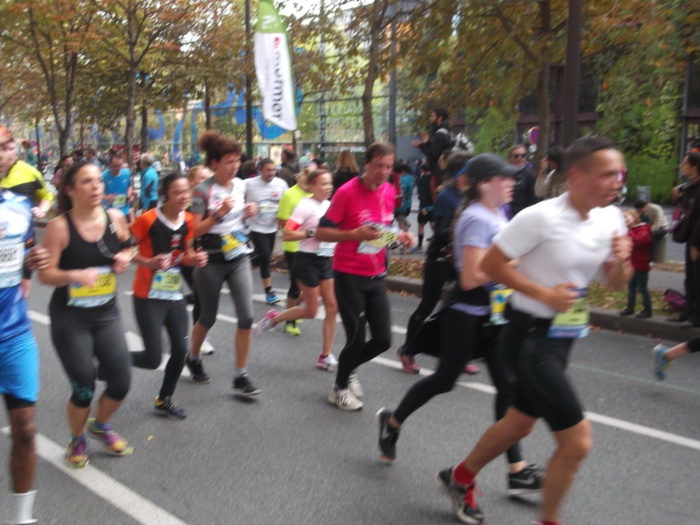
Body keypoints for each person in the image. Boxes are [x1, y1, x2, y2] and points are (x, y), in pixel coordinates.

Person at [435, 137, 632, 525]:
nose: (617, 182)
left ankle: (458, 477)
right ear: (576, 175)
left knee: (519, 422)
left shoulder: (610, 218)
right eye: (607, 174)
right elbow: (491, 265)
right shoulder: (541, 217)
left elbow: (617, 282)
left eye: (619, 174)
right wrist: (543, 292)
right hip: (527, 337)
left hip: (563, 337)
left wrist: (623, 260)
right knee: (576, 443)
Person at [377, 154, 543, 497]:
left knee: (507, 387)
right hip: (465, 314)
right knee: (444, 380)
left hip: (495, 314)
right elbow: (468, 279)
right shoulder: (477, 218)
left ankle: (516, 469)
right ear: (485, 184)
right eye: (506, 178)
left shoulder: (500, 212)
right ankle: (392, 422)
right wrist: (510, 264)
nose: (513, 183)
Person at [39, 160, 135, 468]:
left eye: (98, 181)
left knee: (120, 382)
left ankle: (100, 424)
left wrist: (124, 256)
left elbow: (130, 246)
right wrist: (74, 276)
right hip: (71, 317)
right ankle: (77, 437)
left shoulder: (116, 217)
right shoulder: (59, 227)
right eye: (86, 182)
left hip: (106, 314)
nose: (96, 187)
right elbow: (46, 275)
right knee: (83, 386)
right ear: (70, 190)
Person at [317, 142, 413, 411]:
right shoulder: (346, 193)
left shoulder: (389, 190)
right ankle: (338, 390)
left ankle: (348, 369)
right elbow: (322, 232)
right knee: (357, 339)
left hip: (376, 274)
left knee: (383, 339)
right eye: (379, 166)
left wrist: (398, 237)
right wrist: (352, 234)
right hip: (348, 274)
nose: (384, 171)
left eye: (389, 166)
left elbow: (380, 231)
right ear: (366, 165)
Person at [187, 130, 260, 396]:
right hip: (211, 258)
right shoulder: (202, 190)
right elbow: (194, 231)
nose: (234, 167)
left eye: (237, 161)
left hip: (238, 254)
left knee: (247, 317)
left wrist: (249, 213)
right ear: (214, 163)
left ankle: (240, 376)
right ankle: (193, 357)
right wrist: (219, 213)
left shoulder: (240, 185)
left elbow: (240, 218)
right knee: (208, 316)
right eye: (229, 161)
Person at [130, 172, 208, 420]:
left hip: (172, 293)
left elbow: (184, 254)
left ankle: (164, 398)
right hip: (147, 295)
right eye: (178, 192)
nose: (184, 196)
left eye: (187, 191)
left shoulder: (187, 219)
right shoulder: (147, 219)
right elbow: (124, 250)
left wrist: (193, 258)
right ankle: (110, 360)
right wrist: (148, 262)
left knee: (180, 349)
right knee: (153, 358)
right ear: (166, 195)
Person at [396, 152, 479, 375]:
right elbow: (439, 231)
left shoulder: (473, 196)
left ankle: (458, 356)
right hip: (440, 259)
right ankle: (407, 351)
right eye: (470, 172)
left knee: (460, 309)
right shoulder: (447, 197)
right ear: (462, 174)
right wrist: (463, 227)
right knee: (427, 307)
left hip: (460, 261)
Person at [0, 167, 50, 525]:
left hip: (14, 333)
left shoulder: (19, 206)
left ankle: (21, 519)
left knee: (26, 430)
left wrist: (33, 261)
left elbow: (25, 257)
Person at [256, 168, 339, 371]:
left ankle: (325, 355)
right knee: (311, 311)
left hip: (326, 260)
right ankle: (274, 319)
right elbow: (288, 233)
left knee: (332, 307)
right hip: (307, 260)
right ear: (311, 186)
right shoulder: (304, 206)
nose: (328, 187)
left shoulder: (331, 206)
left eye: (330, 184)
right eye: (323, 184)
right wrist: (312, 232)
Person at [181, 165, 215, 354]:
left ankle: (199, 337)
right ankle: (199, 340)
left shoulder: (210, 204)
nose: (205, 182)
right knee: (201, 295)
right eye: (201, 178)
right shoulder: (183, 202)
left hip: (204, 255)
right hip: (183, 255)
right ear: (191, 181)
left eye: (208, 178)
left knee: (201, 295)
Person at [245, 158, 289, 304]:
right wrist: (246, 207)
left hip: (272, 227)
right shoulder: (249, 184)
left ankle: (243, 263)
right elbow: (237, 196)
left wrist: (282, 219)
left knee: (264, 257)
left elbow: (286, 202)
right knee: (265, 257)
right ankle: (269, 292)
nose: (271, 173)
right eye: (268, 170)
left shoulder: (281, 184)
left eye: (273, 169)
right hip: (255, 226)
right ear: (260, 170)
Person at [276, 170, 312, 336]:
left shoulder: (316, 194)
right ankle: (289, 322)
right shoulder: (290, 195)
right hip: (295, 247)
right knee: (296, 285)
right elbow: (282, 221)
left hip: (314, 247)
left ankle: (293, 311)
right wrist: (304, 228)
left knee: (312, 286)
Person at [669, 152, 700, 325]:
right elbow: (689, 210)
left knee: (697, 278)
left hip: (697, 240)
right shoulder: (690, 186)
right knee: (690, 277)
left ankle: (696, 316)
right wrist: (679, 197)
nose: (682, 166)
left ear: (694, 167)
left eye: (685, 163)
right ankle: (688, 312)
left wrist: (695, 244)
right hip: (692, 239)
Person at [0, 127, 54, 220]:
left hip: (24, 232)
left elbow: (46, 197)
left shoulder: (29, 172)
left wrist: (42, 210)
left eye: (9, 148)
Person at [620, 209, 653, 318]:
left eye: (627, 217)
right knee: (631, 287)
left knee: (642, 288)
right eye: (624, 218)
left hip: (641, 264)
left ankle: (648, 309)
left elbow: (639, 241)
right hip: (631, 263)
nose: (625, 220)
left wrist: (629, 232)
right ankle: (630, 307)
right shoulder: (629, 230)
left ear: (634, 217)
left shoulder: (642, 229)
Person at [411, 106, 453, 186]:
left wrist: (421, 145)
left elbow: (434, 154)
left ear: (440, 118)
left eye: (433, 116)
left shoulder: (439, 134)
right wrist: (428, 142)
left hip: (439, 173)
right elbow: (440, 149)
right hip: (445, 172)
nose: (430, 118)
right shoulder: (448, 131)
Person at [102, 154, 134, 222]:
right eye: (115, 166)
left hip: (125, 211)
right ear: (110, 164)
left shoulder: (127, 173)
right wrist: (106, 197)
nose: (117, 168)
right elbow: (99, 193)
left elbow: (129, 186)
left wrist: (129, 193)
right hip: (110, 212)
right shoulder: (103, 176)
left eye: (119, 166)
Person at [509, 144, 539, 216]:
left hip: (522, 216)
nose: (520, 158)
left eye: (523, 155)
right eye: (516, 156)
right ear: (510, 158)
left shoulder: (531, 175)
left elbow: (534, 200)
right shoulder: (505, 174)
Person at [413, 161, 435, 251]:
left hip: (425, 206)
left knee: (421, 225)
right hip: (434, 205)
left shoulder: (422, 180)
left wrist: (423, 207)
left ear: (422, 170)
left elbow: (423, 194)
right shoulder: (434, 178)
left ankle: (419, 245)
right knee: (434, 225)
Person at [393, 162, 414, 232]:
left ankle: (405, 238)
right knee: (400, 220)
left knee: (400, 223)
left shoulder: (398, 179)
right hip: (406, 203)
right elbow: (409, 191)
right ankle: (406, 224)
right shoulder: (410, 178)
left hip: (399, 204)